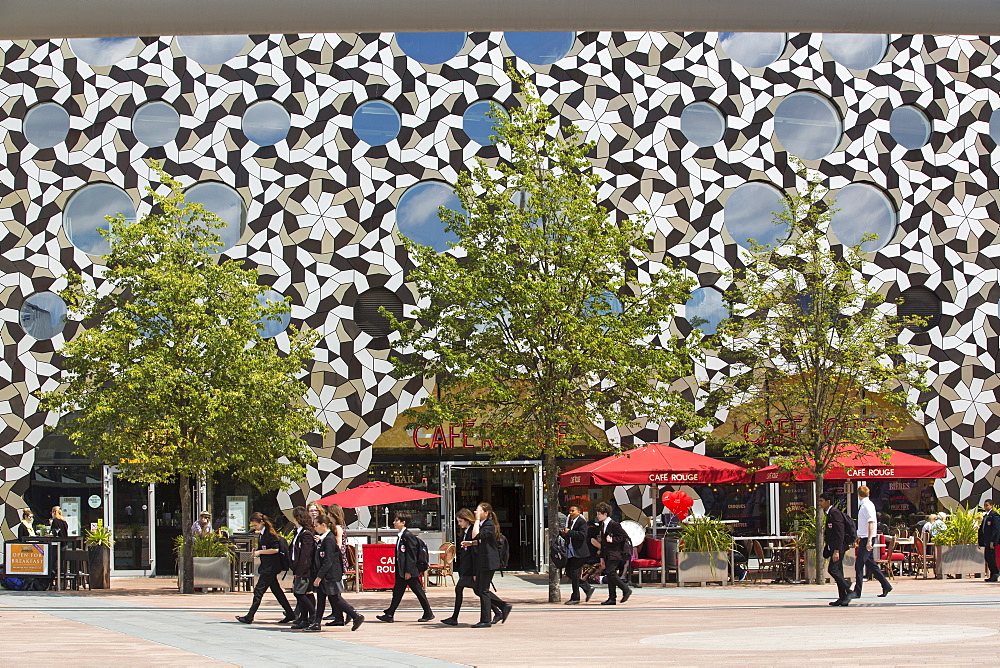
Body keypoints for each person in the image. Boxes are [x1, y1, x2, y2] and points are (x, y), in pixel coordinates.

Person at [443, 508, 502, 625]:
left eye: (460, 521)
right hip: (467, 568)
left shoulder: (472, 532)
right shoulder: (465, 532)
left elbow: (475, 554)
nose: (459, 524)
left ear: (467, 520)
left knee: (464, 589)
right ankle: (498, 610)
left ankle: (455, 617)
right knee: (480, 591)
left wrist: (475, 572)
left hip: (471, 569)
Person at [307, 512, 364, 632]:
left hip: (330, 575)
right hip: (325, 575)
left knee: (335, 598)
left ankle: (355, 615)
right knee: (321, 598)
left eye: (316, 525)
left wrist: (319, 577)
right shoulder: (323, 539)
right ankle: (317, 623)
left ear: (323, 525)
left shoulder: (329, 539)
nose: (315, 528)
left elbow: (328, 560)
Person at [236, 512, 296, 625]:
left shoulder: (269, 534)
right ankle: (290, 613)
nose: (255, 528)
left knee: (259, 590)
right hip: (268, 566)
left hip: (271, 567)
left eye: (255, 525)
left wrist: (260, 552)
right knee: (277, 591)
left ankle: (250, 616)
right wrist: (257, 550)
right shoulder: (262, 534)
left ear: (261, 522)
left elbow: (275, 549)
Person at [376, 511, 435, 623]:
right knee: (398, 591)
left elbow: (411, 555)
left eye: (396, 521)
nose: (394, 522)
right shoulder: (401, 536)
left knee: (418, 591)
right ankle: (390, 613)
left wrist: (409, 571)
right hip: (402, 570)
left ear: (403, 522)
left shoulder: (408, 536)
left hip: (408, 571)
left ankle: (428, 612)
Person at [463, 502, 511, 628]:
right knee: (478, 589)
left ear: (486, 513)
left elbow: (476, 535)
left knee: (483, 590)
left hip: (488, 562)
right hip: (482, 561)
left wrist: (477, 520)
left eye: (478, 511)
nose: (475, 513)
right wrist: (471, 544)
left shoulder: (489, 524)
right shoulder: (484, 525)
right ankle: (502, 606)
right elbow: (481, 541)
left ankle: (486, 619)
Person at [851, 485, 892, 599]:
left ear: (859, 494)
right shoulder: (866, 505)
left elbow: (871, 522)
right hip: (865, 537)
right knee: (870, 564)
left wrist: (869, 539)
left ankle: (857, 591)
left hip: (867, 538)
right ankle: (886, 584)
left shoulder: (866, 506)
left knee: (859, 565)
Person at [594, 501, 632, 605]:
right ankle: (612, 598)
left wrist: (613, 539)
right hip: (607, 554)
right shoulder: (602, 525)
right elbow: (602, 542)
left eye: (599, 514)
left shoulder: (614, 524)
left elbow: (624, 536)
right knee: (611, 575)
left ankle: (625, 589)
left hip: (615, 553)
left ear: (605, 514)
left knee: (610, 573)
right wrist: (601, 558)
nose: (597, 516)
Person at [819, 492, 852, 606]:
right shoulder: (830, 513)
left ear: (828, 502)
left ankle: (847, 585)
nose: (820, 503)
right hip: (834, 547)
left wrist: (837, 550)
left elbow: (839, 533)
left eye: (821, 501)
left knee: (832, 570)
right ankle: (843, 597)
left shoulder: (835, 513)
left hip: (838, 547)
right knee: (838, 571)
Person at [324, 503, 353, 626]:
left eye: (328, 514)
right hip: (336, 560)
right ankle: (339, 614)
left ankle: (348, 611)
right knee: (333, 592)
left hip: (337, 561)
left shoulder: (338, 528)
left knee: (335, 591)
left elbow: (339, 545)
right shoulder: (335, 527)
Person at [560, 504, 595, 604]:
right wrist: (564, 533)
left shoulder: (581, 522)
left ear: (579, 512)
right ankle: (587, 588)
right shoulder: (570, 521)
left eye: (573, 511)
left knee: (575, 574)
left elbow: (582, 535)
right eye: (570, 511)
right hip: (571, 551)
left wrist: (569, 532)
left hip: (579, 552)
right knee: (569, 573)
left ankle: (575, 597)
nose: (570, 513)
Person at [289, 506, 316, 630]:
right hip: (297, 568)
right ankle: (304, 618)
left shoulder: (306, 534)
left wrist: (300, 571)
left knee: (299, 593)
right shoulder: (298, 532)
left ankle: (313, 615)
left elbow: (305, 555)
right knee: (302, 593)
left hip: (305, 570)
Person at [978, 499, 1000, 582]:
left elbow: (996, 529)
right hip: (986, 541)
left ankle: (995, 573)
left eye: (987, 505)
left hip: (991, 541)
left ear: (991, 506)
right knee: (987, 557)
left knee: (991, 557)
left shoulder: (994, 516)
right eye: (984, 505)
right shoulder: (986, 516)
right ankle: (992, 574)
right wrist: (980, 541)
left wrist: (993, 541)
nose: (985, 507)